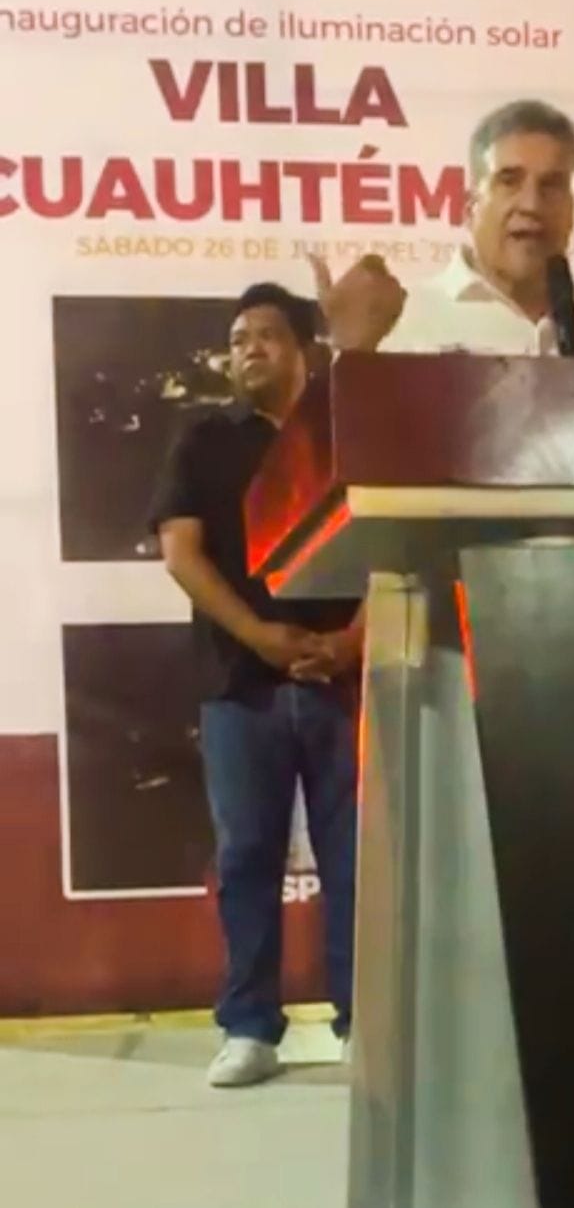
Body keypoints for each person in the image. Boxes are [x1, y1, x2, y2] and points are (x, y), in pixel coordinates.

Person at [150, 283, 364, 1087]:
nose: (248, 350)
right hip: (240, 685)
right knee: (245, 855)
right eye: (238, 338)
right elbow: (181, 553)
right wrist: (261, 636)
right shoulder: (204, 438)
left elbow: (391, 536)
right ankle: (248, 1026)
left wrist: (351, 640)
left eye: (266, 335)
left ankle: (362, 1022)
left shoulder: (347, 432)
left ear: (306, 350)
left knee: (355, 860)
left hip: (346, 678)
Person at [308, 98, 574, 357]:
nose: (532, 204)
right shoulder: (398, 327)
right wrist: (344, 353)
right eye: (509, 181)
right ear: (468, 209)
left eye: (552, 186)